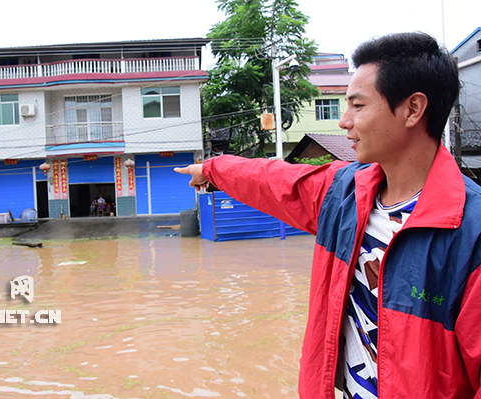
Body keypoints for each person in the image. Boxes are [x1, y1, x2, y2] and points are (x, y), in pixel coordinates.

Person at [175, 32, 480, 398]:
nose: (344, 121)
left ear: (413, 109)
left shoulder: (470, 231)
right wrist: (213, 170)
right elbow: (274, 180)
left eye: (358, 106)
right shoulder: (343, 195)